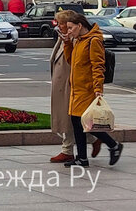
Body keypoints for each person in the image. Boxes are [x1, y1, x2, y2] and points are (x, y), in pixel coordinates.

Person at [62, 10, 122, 167]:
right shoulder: (79, 40)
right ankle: (82, 158)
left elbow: (98, 65)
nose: (68, 31)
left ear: (79, 25)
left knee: (85, 123)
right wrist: (67, 42)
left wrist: (97, 88)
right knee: (78, 122)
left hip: (87, 89)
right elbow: (70, 61)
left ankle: (113, 145)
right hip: (77, 88)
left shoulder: (93, 40)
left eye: (70, 28)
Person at [49, 11, 95, 162]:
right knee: (70, 119)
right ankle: (95, 140)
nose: (60, 26)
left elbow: (87, 64)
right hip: (62, 85)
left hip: (71, 86)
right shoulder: (63, 38)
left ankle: (68, 150)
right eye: (60, 23)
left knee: (69, 119)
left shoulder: (78, 40)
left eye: (63, 23)